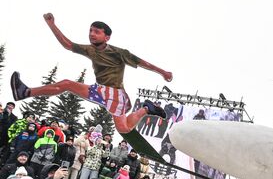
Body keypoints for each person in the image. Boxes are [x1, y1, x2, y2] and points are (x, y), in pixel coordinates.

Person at [10, 14, 172, 134]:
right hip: (99, 89)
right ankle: (25, 92)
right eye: (90, 31)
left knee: (123, 128)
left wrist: (162, 72)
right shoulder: (90, 49)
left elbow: (143, 63)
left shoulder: (119, 52)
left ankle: (145, 109)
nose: (92, 34)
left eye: (96, 32)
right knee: (67, 84)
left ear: (106, 37)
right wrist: (51, 24)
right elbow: (67, 45)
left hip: (114, 94)